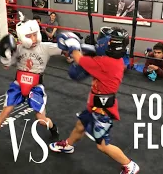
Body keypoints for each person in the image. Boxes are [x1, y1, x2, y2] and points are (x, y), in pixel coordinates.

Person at [49, 27, 140, 174]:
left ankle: (130, 165)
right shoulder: (117, 59)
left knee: (102, 145)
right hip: (96, 106)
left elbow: (78, 58)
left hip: (103, 111)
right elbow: (94, 54)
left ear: (106, 44)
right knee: (80, 125)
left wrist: (73, 44)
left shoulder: (104, 63)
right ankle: (67, 145)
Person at [0, 12, 61, 152]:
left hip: (36, 86)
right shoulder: (19, 48)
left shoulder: (45, 47)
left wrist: (70, 45)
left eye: (35, 34)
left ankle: (53, 128)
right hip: (18, 84)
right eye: (29, 36)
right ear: (22, 37)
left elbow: (64, 48)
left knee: (41, 120)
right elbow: (6, 65)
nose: (33, 38)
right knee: (5, 112)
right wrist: (4, 54)